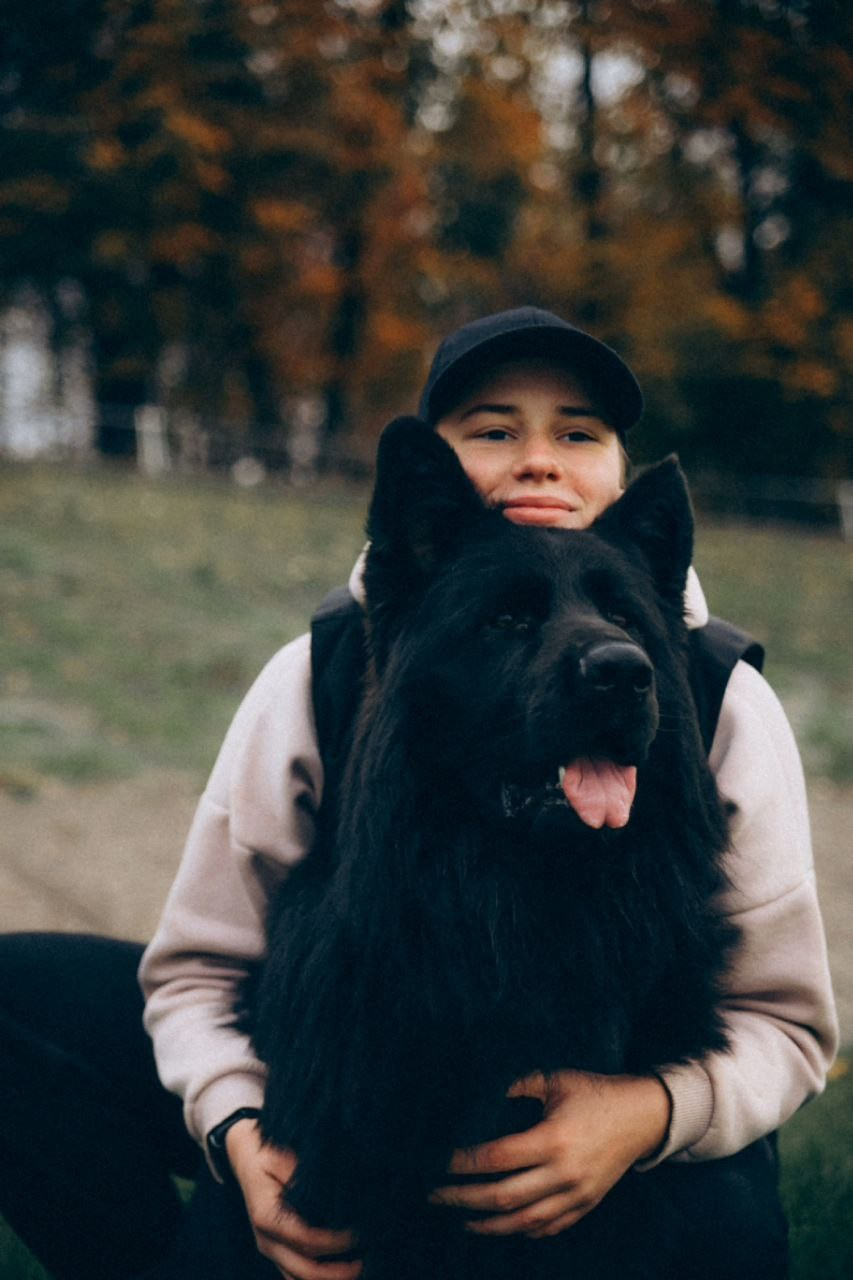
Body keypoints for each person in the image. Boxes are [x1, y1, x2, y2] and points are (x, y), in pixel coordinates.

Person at [0, 307, 838, 1280]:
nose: (537, 459)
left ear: (619, 472)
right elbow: (199, 970)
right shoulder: (317, 670)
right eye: (493, 429)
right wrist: (237, 1131)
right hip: (351, 1047)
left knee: (720, 1239)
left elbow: (785, 1022)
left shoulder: (720, 689)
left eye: (578, 432)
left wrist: (647, 1115)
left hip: (638, 1099)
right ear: (429, 481)